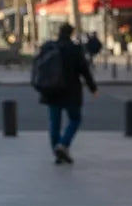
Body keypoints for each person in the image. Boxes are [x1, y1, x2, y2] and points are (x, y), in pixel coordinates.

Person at [39, 22, 98, 164]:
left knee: (54, 123)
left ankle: (57, 151)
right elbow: (84, 71)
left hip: (52, 89)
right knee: (75, 119)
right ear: (71, 33)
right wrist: (93, 88)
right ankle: (63, 144)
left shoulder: (49, 47)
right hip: (71, 91)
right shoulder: (75, 49)